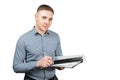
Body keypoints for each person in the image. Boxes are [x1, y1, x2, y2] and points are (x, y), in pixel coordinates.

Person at [13, 4, 64, 80]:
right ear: (36, 17)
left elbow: (59, 60)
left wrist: (62, 65)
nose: (47, 22)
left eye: (50, 19)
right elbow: (16, 67)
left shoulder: (56, 37)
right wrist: (37, 63)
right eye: (44, 18)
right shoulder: (23, 39)